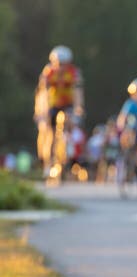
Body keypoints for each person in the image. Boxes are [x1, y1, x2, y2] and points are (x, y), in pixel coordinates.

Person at [36, 45, 84, 179]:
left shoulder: (74, 73)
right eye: (58, 63)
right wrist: (42, 110)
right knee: (50, 133)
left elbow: (78, 91)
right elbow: (43, 93)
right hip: (53, 103)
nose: (61, 66)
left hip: (68, 103)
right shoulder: (48, 72)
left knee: (69, 120)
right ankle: (48, 163)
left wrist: (79, 107)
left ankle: (68, 143)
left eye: (63, 64)